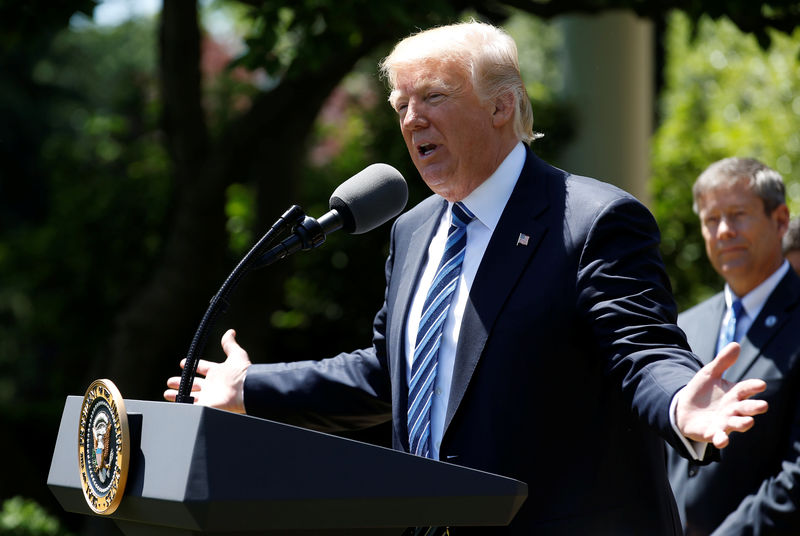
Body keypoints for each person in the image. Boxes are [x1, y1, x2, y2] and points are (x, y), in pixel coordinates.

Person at [165, 22, 768, 535]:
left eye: (432, 97)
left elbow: (643, 349)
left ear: (502, 106)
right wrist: (251, 389)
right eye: (401, 105)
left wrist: (681, 399)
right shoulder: (412, 231)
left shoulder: (591, 220)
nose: (411, 119)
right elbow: (392, 373)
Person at [667, 157, 800, 536]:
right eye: (711, 220)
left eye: (738, 215)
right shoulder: (684, 326)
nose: (723, 231)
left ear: (780, 220)